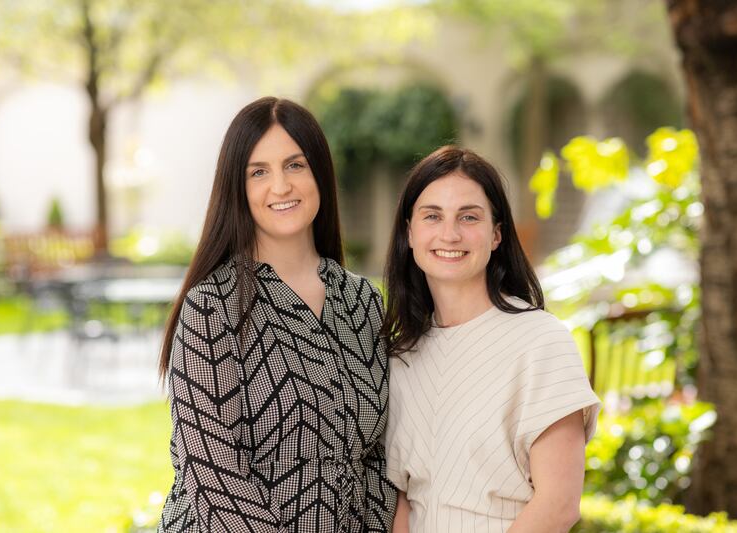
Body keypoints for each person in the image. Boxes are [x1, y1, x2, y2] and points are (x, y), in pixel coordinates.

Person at [157, 97, 396, 533]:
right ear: (237, 187)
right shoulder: (211, 308)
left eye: (295, 165)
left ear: (319, 172)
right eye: (258, 172)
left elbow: (379, 456)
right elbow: (212, 475)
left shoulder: (363, 301)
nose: (281, 186)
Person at [381, 146, 600, 533]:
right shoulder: (401, 354)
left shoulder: (541, 342)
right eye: (433, 216)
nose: (450, 234)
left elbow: (558, 505)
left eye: (469, 217)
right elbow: (402, 496)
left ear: (496, 234)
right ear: (410, 232)